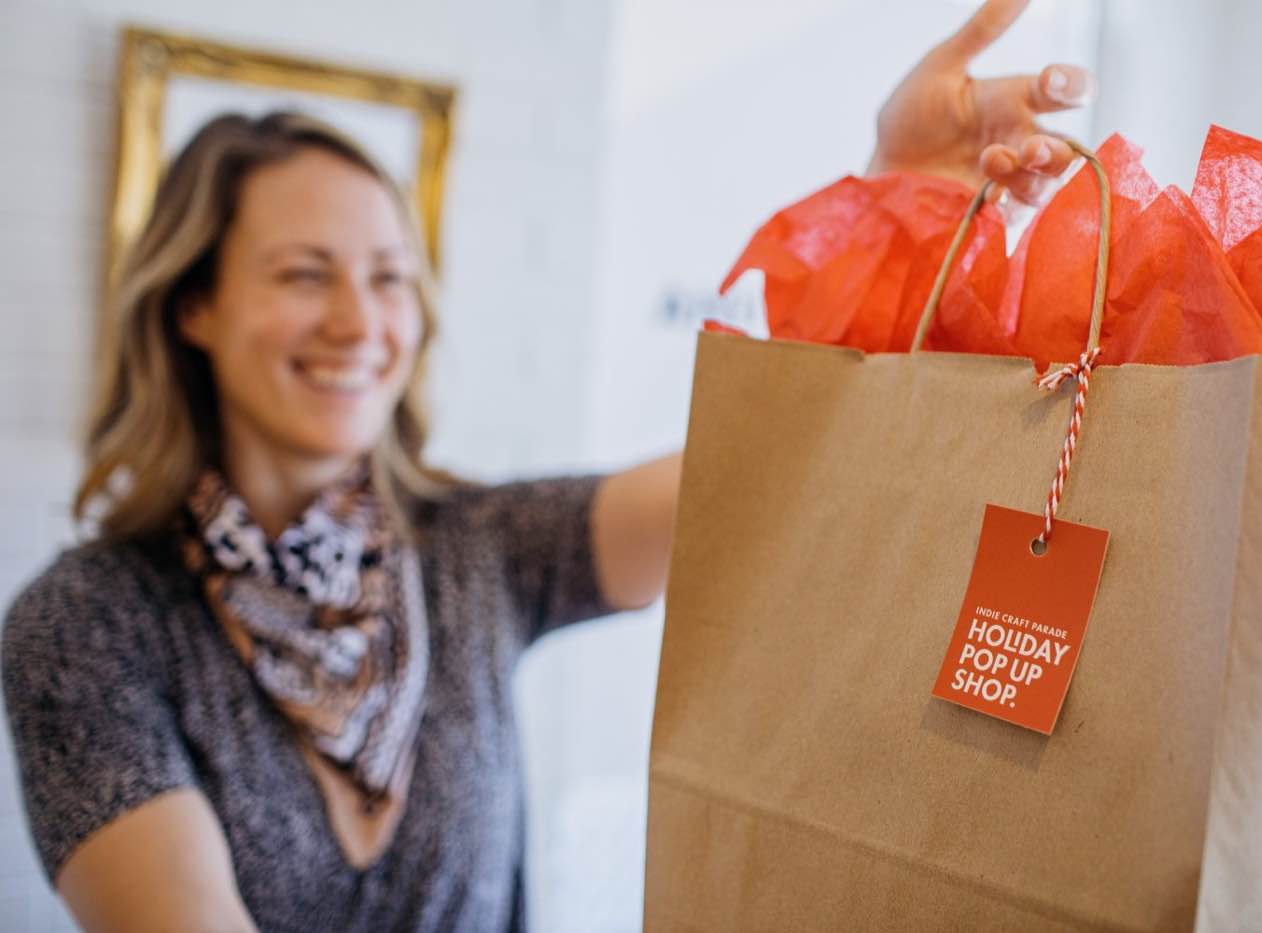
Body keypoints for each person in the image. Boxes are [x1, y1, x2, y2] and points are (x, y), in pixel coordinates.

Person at [1, 1, 1092, 929]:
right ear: (192, 303)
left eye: (389, 276)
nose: (360, 320)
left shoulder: (468, 545)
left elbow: (761, 468)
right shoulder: (87, 624)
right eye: (303, 273)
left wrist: (889, 203)